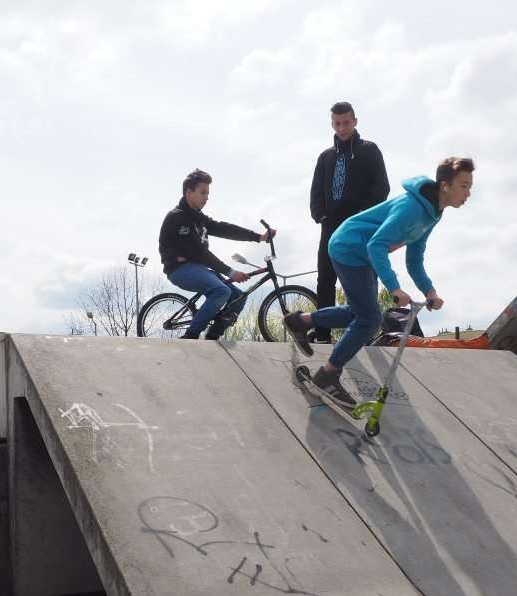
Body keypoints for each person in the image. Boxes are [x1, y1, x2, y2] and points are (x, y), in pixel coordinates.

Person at [285, 157, 476, 408]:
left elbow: (414, 258)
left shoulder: (433, 213)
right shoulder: (411, 208)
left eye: (469, 186)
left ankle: (301, 321)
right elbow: (376, 244)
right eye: (463, 186)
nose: (468, 193)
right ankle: (328, 374)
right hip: (349, 248)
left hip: (363, 255)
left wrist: (429, 291)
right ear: (445, 185)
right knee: (369, 319)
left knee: (360, 314)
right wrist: (393, 287)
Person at [158, 169, 274, 340]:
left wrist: (258, 237)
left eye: (208, 193)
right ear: (188, 193)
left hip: (198, 267)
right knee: (221, 291)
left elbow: (223, 229)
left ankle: (213, 337)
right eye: (202, 193)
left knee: (239, 297)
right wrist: (230, 272)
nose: (206, 198)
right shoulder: (178, 217)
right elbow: (199, 252)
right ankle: (190, 336)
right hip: (179, 269)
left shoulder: (198, 217)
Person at [309, 102, 389, 343]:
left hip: (360, 228)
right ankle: (322, 334)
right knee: (325, 279)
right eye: (337, 123)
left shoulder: (369, 150)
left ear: (355, 121)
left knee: (364, 279)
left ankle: (366, 332)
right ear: (332, 124)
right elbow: (315, 193)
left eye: (346, 122)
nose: (342, 128)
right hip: (331, 228)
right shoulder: (325, 157)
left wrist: (364, 216)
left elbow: (382, 187)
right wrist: (320, 215)